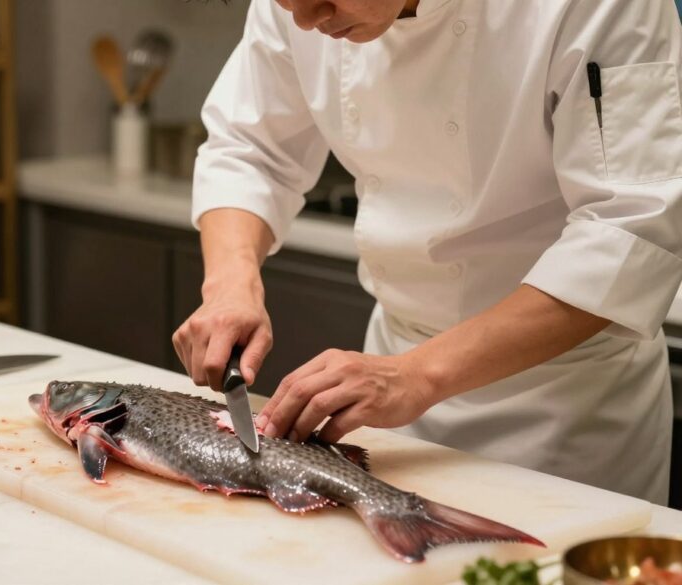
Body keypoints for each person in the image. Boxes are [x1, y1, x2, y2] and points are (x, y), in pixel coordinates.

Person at [174, 0, 682, 504]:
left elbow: (627, 228)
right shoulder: (296, 9)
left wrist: (416, 375)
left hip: (568, 407)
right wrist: (230, 285)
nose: (306, 19)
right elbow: (250, 150)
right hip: (389, 401)